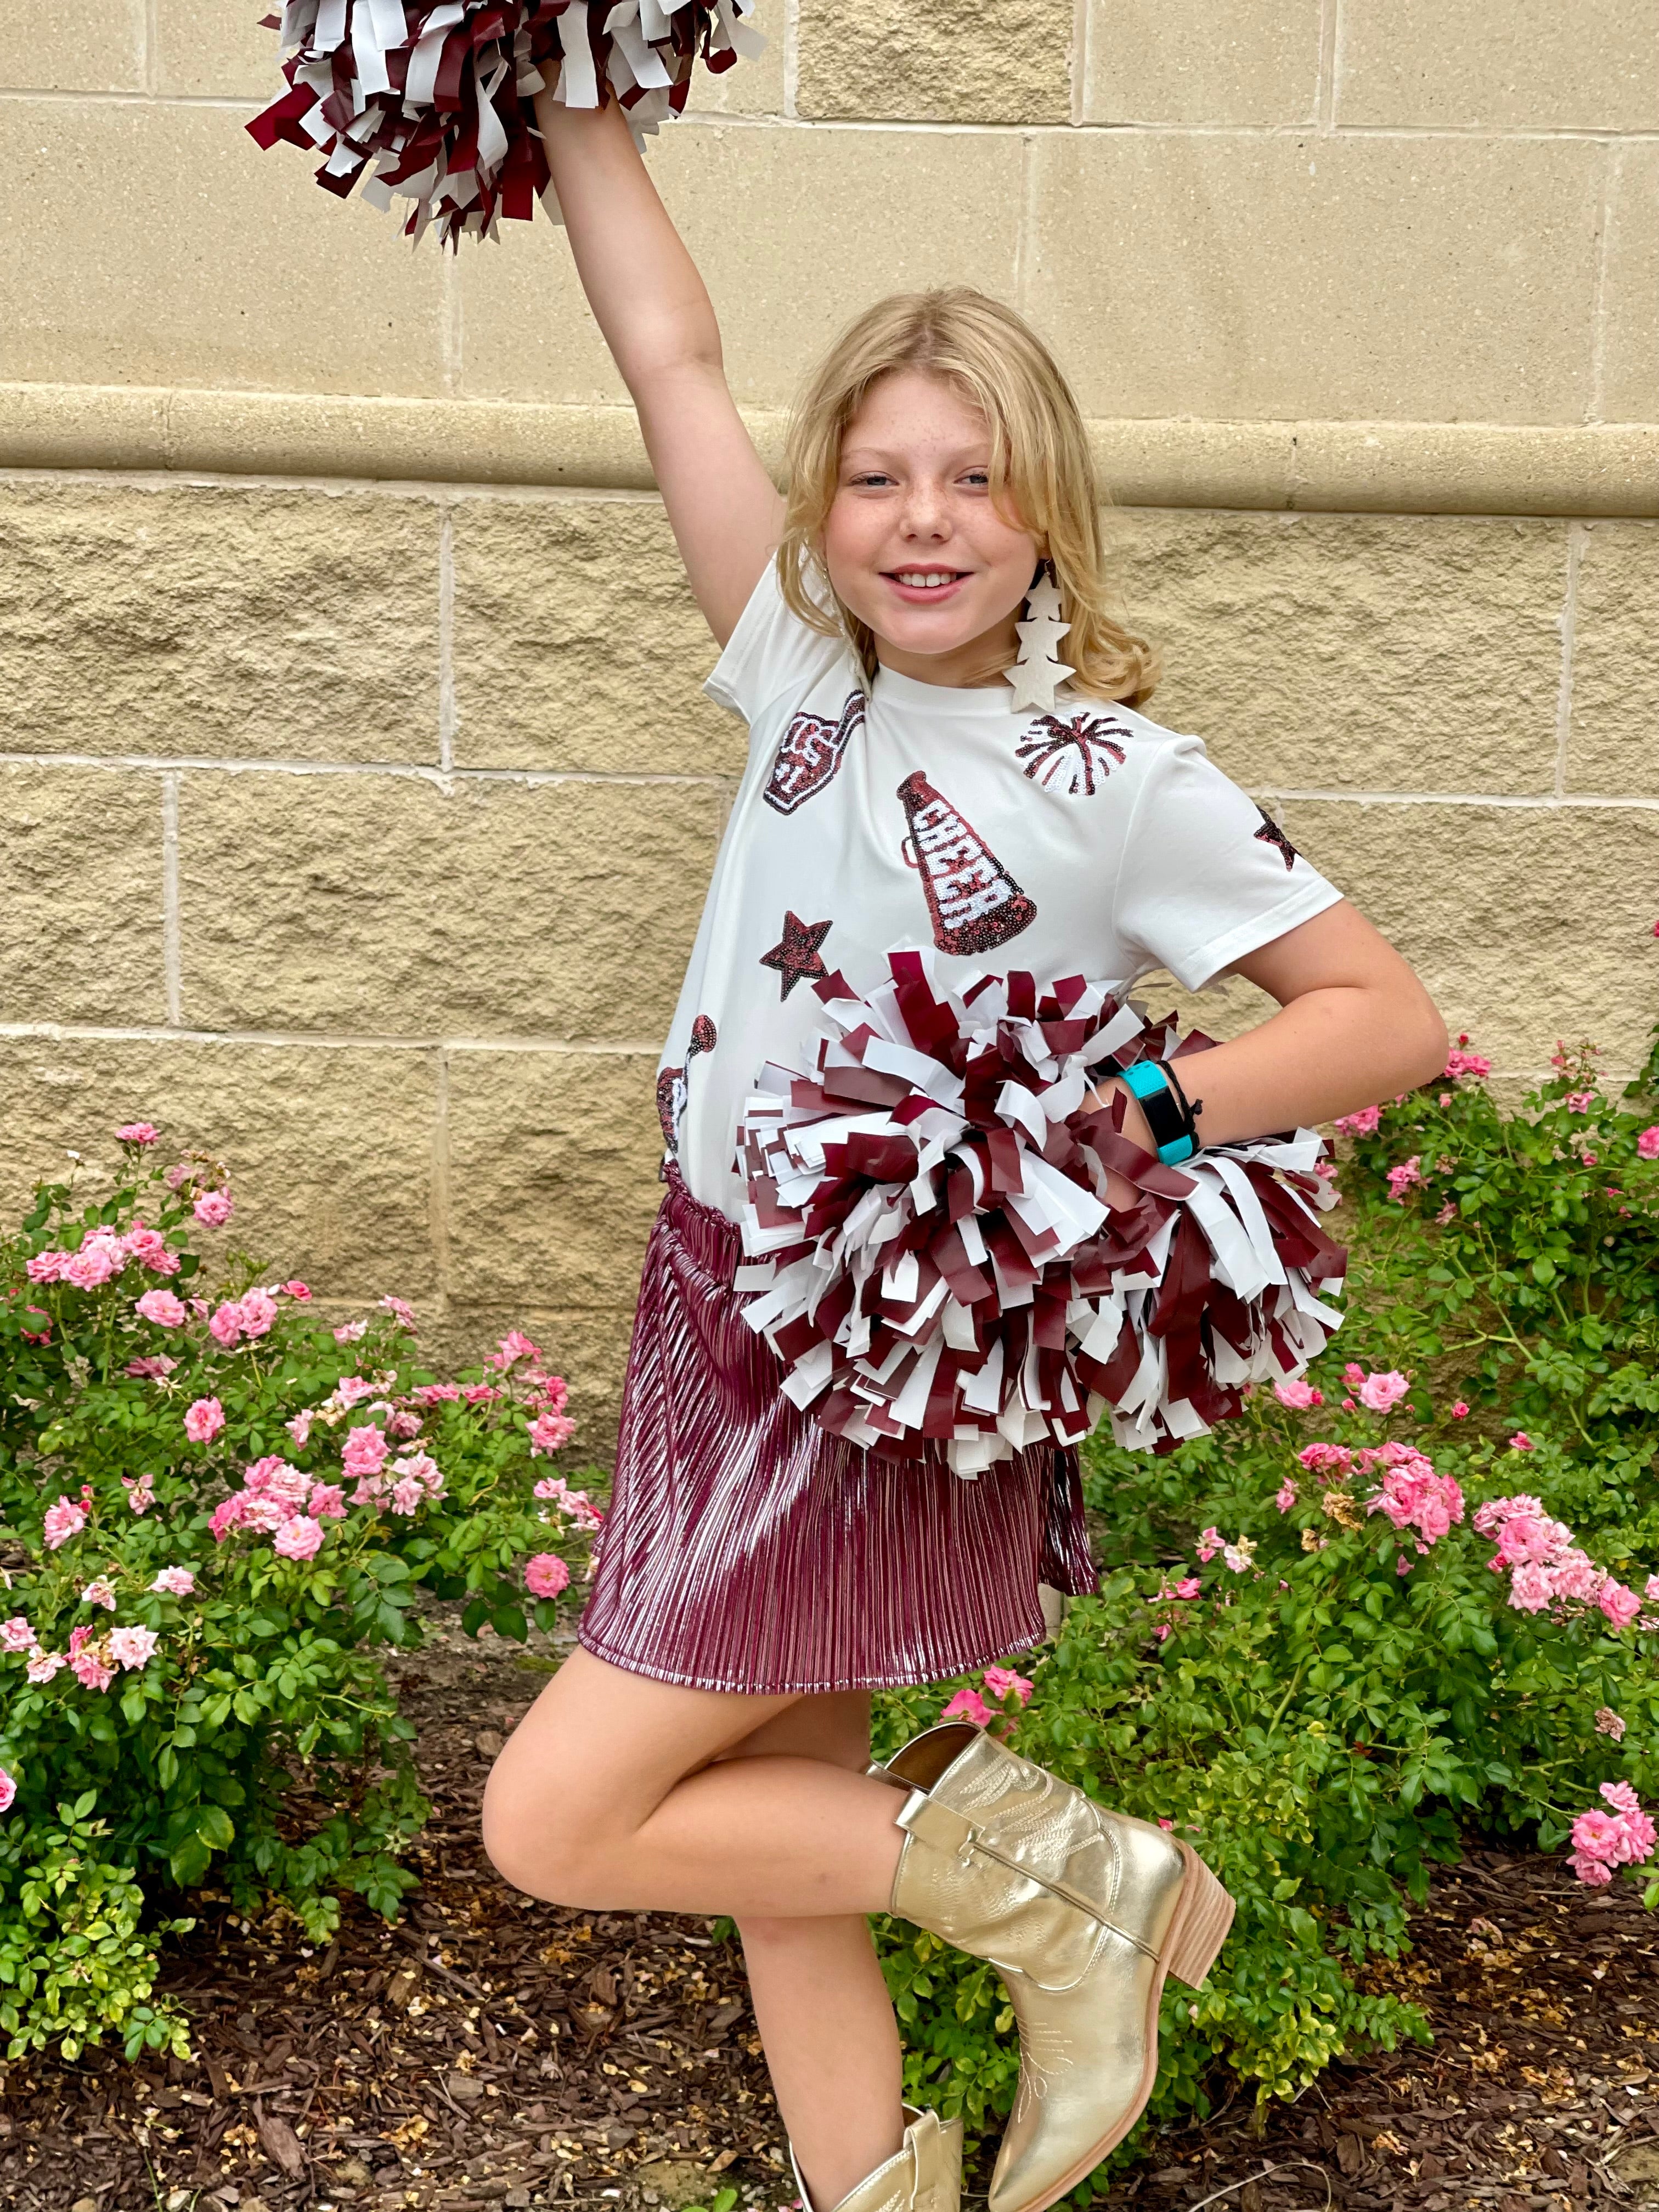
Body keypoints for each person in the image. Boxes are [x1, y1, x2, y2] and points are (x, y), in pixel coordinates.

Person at [481, 88, 1448, 2212]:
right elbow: (665, 347)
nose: (924, 520)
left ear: (1048, 517)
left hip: (874, 1343)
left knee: (553, 1823)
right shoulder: (791, 661)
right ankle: (872, 2190)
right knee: (773, 1815)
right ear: (824, 503)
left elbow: (1386, 1019)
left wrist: (1121, 1126)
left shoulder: (1118, 774)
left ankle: (1066, 1882)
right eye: (880, 474)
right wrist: (555, 96)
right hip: (707, 1300)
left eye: (978, 481)